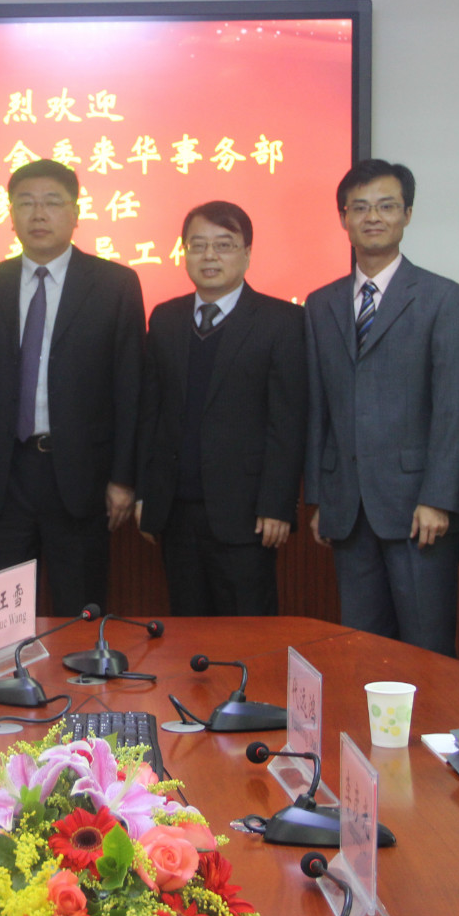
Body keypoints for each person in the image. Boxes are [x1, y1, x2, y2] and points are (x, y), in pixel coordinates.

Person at [303, 159, 459, 655]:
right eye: (360, 208)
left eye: (386, 206)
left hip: (419, 508)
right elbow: (319, 406)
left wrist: (439, 497)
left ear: (407, 215)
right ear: (344, 218)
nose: (372, 217)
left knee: (427, 649)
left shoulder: (443, 297)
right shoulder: (321, 303)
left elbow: (454, 406)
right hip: (349, 509)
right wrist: (321, 498)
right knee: (363, 649)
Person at [0, 159, 144, 618]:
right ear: (11, 214)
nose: (38, 214)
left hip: (81, 476)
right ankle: (9, 668)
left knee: (79, 612)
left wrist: (123, 479)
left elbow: (129, 388)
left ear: (76, 213)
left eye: (52, 202)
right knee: (5, 618)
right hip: (5, 476)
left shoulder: (115, 284)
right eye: (26, 203)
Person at [136, 201, 306, 616]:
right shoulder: (166, 318)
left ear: (247, 253)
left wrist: (277, 505)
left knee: (248, 633)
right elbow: (151, 413)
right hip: (176, 511)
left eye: (224, 244)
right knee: (186, 631)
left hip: (246, 515)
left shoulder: (281, 321)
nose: (209, 256)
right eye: (198, 245)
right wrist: (146, 494)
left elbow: (287, 422)